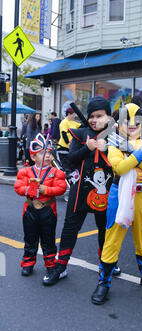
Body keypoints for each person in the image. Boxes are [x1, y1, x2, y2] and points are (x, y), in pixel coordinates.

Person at [92, 103, 142, 305]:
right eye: (127, 121)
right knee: (113, 237)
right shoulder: (115, 143)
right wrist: (141, 153)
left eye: (137, 121)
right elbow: (120, 168)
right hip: (119, 193)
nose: (132, 125)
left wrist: (130, 150)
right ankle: (103, 282)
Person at [43, 96, 116, 287]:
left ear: (108, 117)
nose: (94, 120)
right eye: (91, 116)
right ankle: (61, 266)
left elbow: (122, 163)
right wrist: (87, 148)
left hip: (106, 190)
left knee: (104, 228)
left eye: (100, 116)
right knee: (70, 228)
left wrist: (108, 149)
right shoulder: (79, 134)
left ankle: (106, 263)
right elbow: (70, 160)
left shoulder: (115, 135)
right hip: (80, 189)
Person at [14, 133, 67, 279]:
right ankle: (28, 263)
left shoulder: (56, 172)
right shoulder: (25, 172)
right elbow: (18, 187)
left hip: (48, 210)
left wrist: (46, 190)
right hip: (30, 210)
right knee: (30, 238)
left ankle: (51, 265)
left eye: (50, 153)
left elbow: (61, 188)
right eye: (43, 153)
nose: (48, 156)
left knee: (48, 239)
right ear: (33, 157)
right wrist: (28, 190)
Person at [56, 107, 81, 174]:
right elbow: (63, 133)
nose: (74, 116)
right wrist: (68, 143)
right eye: (73, 114)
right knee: (65, 166)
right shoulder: (64, 122)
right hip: (63, 146)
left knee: (71, 166)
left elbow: (81, 127)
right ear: (69, 114)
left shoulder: (74, 123)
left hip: (71, 147)